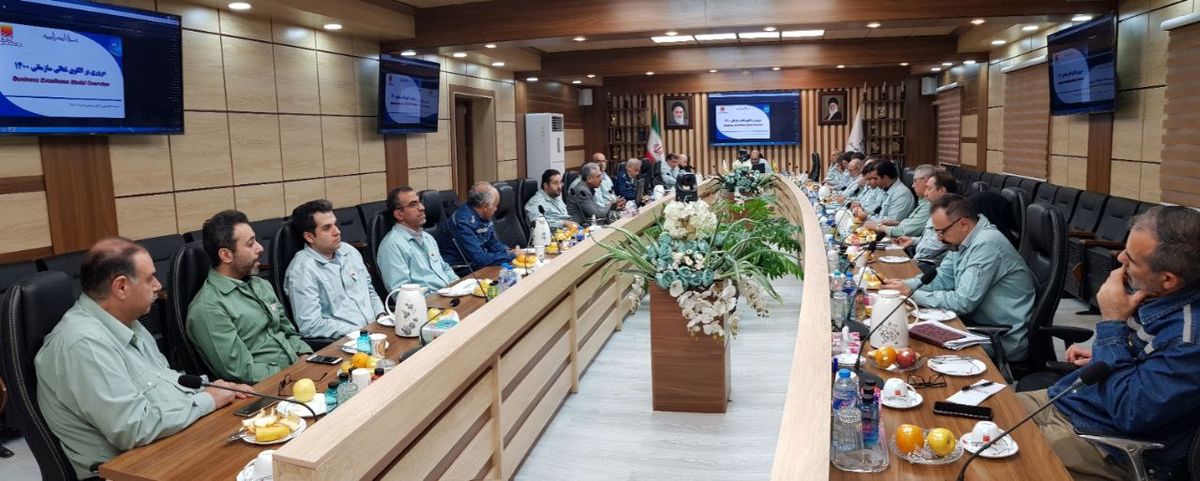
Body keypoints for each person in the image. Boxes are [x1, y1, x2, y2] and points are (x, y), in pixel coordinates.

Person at [35, 238, 252, 479]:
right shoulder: (83, 345)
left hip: (163, 450)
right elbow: (134, 428)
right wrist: (207, 400)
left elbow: (166, 383)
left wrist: (216, 389)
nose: (158, 286)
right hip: (128, 471)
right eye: (150, 279)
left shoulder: (127, 322)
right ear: (121, 287)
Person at [1017, 206, 1200, 481]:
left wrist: (1112, 325)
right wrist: (1102, 356)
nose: (1120, 258)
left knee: (985, 461)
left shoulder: (1189, 340)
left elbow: (1131, 411)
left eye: (1131, 260)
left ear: (1167, 279)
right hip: (1072, 401)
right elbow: (1147, 368)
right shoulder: (1157, 297)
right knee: (978, 412)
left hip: (1103, 441)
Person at [881, 194, 1035, 361]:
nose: (939, 238)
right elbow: (943, 278)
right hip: (971, 324)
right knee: (904, 331)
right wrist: (903, 285)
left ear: (963, 224)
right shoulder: (961, 241)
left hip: (1000, 337)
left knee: (914, 347)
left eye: (942, 231)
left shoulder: (986, 245)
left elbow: (963, 302)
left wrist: (912, 293)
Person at [188, 210, 313, 384]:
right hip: (268, 388)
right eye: (250, 244)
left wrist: (305, 356)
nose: (260, 248)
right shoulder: (208, 307)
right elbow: (239, 371)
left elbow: (288, 331)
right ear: (226, 255)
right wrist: (291, 372)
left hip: (299, 375)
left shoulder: (261, 284)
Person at [283, 200, 385, 339]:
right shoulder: (302, 270)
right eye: (327, 228)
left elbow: (369, 291)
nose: (337, 232)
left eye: (335, 224)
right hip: (345, 341)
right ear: (309, 237)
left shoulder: (349, 251)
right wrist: (359, 332)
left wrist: (381, 316)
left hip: (376, 331)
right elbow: (310, 325)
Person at [377, 187, 459, 292]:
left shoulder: (427, 237)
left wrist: (459, 287)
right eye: (413, 205)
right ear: (399, 214)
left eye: (419, 202)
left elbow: (445, 268)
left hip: (450, 294)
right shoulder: (392, 246)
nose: (422, 207)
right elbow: (401, 292)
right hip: (428, 300)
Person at [435, 182, 518, 274]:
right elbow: (479, 259)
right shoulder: (462, 222)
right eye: (495, 205)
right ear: (485, 206)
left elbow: (491, 242)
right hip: (460, 269)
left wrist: (508, 251)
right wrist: (512, 256)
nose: (496, 209)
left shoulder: (483, 216)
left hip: (475, 265)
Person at [893, 170, 955, 262]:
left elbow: (933, 249)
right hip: (918, 260)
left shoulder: (949, 214)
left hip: (928, 265)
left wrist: (911, 261)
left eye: (929, 189)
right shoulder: (937, 208)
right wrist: (913, 241)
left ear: (942, 190)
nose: (925, 193)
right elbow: (930, 239)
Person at [864, 164, 934, 237]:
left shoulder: (928, 204)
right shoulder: (922, 201)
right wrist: (897, 223)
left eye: (915, 181)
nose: (912, 185)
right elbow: (910, 225)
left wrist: (879, 227)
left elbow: (905, 231)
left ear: (926, 181)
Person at [856, 159, 914, 223]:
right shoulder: (884, 189)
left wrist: (866, 217)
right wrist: (861, 209)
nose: (872, 182)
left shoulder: (901, 195)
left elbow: (890, 222)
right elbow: (875, 211)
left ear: (885, 177)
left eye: (875, 178)